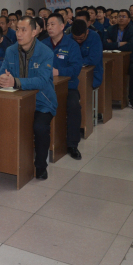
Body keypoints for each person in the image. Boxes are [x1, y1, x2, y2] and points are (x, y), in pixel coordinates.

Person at [0, 16, 57, 180]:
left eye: (24, 30)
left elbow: (42, 81)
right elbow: (0, 74)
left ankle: (40, 165)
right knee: (1, 122)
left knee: (40, 128)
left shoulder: (46, 52)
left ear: (34, 32)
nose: (19, 34)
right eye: (17, 29)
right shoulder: (10, 51)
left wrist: (15, 82)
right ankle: (0, 162)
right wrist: (2, 79)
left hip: (42, 102)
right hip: (18, 103)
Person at [42, 13, 84, 160]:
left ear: (62, 26)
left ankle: (72, 144)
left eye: (52, 24)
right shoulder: (42, 44)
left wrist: (59, 72)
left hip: (68, 87)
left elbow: (76, 68)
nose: (49, 27)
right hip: (45, 87)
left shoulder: (72, 45)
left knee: (73, 106)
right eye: (47, 25)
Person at [104, 9, 133, 110]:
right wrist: (120, 44)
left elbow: (131, 46)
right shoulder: (110, 29)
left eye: (123, 17)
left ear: (129, 19)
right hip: (112, 58)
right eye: (119, 16)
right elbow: (104, 45)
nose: (120, 18)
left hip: (130, 58)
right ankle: (107, 97)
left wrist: (113, 44)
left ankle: (132, 99)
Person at [69, 19, 103, 92]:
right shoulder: (69, 38)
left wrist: (76, 62)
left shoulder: (95, 37)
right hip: (72, 74)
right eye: (75, 39)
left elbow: (94, 59)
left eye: (81, 38)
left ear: (87, 32)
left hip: (92, 74)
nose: (78, 41)